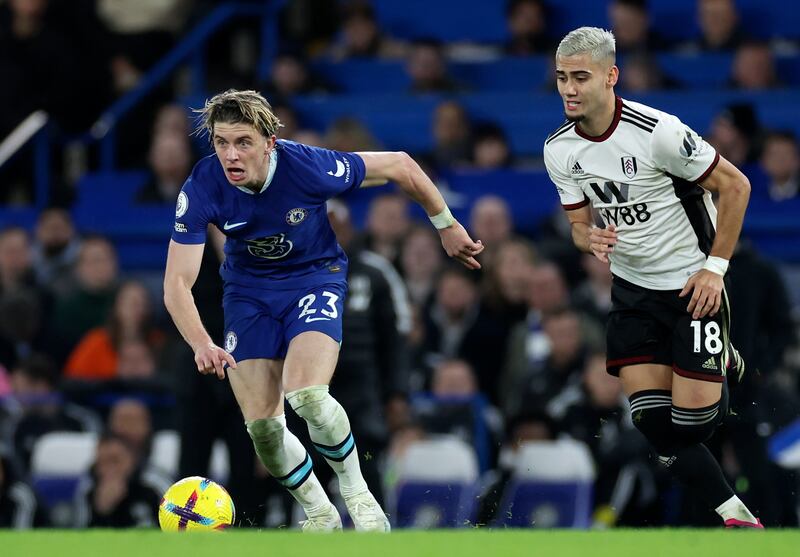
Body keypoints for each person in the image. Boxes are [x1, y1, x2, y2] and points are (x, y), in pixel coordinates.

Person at [163, 89, 483, 532]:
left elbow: (401, 165)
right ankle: (320, 513)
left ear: (269, 142)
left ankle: (360, 497)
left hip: (314, 277)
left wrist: (446, 225)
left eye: (243, 142)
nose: (230, 155)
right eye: (221, 142)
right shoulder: (202, 185)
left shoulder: (307, 166)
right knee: (263, 429)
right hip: (248, 295)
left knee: (308, 395)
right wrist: (201, 342)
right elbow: (177, 282)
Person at [542, 27, 761, 529]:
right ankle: (737, 518)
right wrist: (588, 238)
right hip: (632, 291)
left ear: (611, 76)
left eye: (581, 77)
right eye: (561, 79)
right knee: (650, 422)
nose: (569, 89)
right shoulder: (559, 150)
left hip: (692, 286)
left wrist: (715, 269)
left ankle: (724, 357)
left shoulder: (657, 131)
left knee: (693, 423)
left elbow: (737, 186)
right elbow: (578, 225)